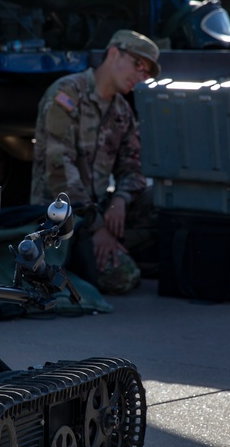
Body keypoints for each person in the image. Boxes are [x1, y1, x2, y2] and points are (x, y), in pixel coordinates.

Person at [30, 29, 160, 295]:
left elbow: (133, 168)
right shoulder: (67, 94)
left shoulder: (121, 111)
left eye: (147, 72)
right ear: (114, 54)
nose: (142, 76)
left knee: (162, 203)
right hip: (60, 219)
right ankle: (94, 256)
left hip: (98, 209)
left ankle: (109, 250)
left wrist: (120, 200)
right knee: (124, 278)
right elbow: (59, 172)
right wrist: (98, 226)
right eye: (138, 65)